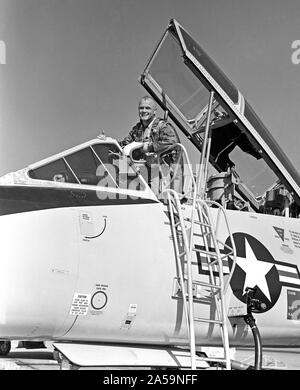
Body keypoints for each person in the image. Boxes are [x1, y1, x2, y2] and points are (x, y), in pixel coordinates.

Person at [119, 96, 182, 199]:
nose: (144, 111)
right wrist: (107, 140)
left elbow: (172, 141)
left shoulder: (162, 126)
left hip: (164, 171)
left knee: (161, 201)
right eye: (141, 108)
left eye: (147, 108)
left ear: (154, 111)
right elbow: (124, 144)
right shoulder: (137, 129)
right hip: (147, 172)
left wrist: (149, 147)